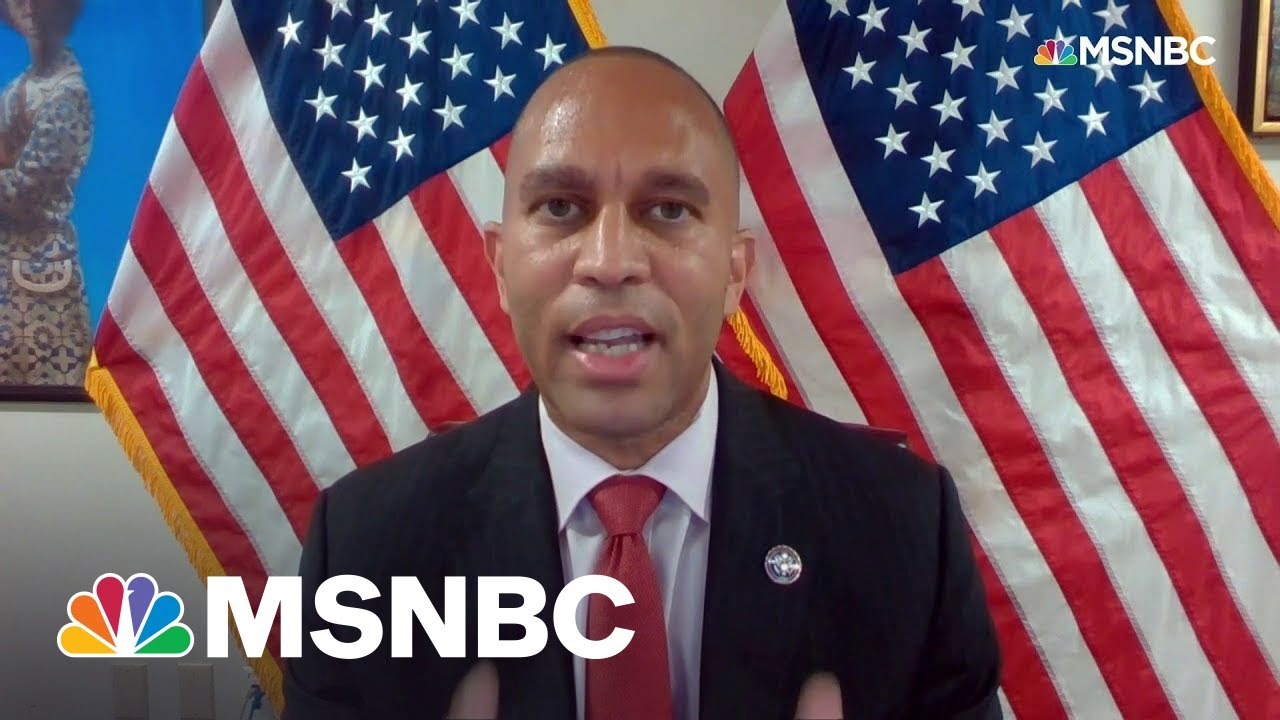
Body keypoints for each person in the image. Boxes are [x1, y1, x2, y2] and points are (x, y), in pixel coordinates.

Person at [284, 47, 1002, 720]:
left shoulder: (904, 529)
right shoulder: (366, 549)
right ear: (500, 267)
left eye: (669, 210)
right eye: (560, 207)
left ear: (735, 273)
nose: (609, 261)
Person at [0, 0, 92, 386]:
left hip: (39, 276)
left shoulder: (68, 95)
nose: (30, 8)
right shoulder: (21, 86)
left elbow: (25, 193)